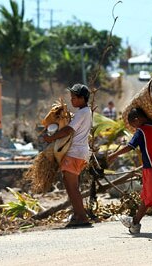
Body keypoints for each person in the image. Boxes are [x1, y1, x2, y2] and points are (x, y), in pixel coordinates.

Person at [43, 83, 92, 227]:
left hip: (75, 152)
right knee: (70, 184)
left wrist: (51, 138)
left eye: (74, 98)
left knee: (72, 186)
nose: (71, 100)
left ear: (82, 98)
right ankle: (77, 215)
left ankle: (82, 217)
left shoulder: (83, 112)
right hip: (79, 152)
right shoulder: (85, 112)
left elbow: (69, 130)